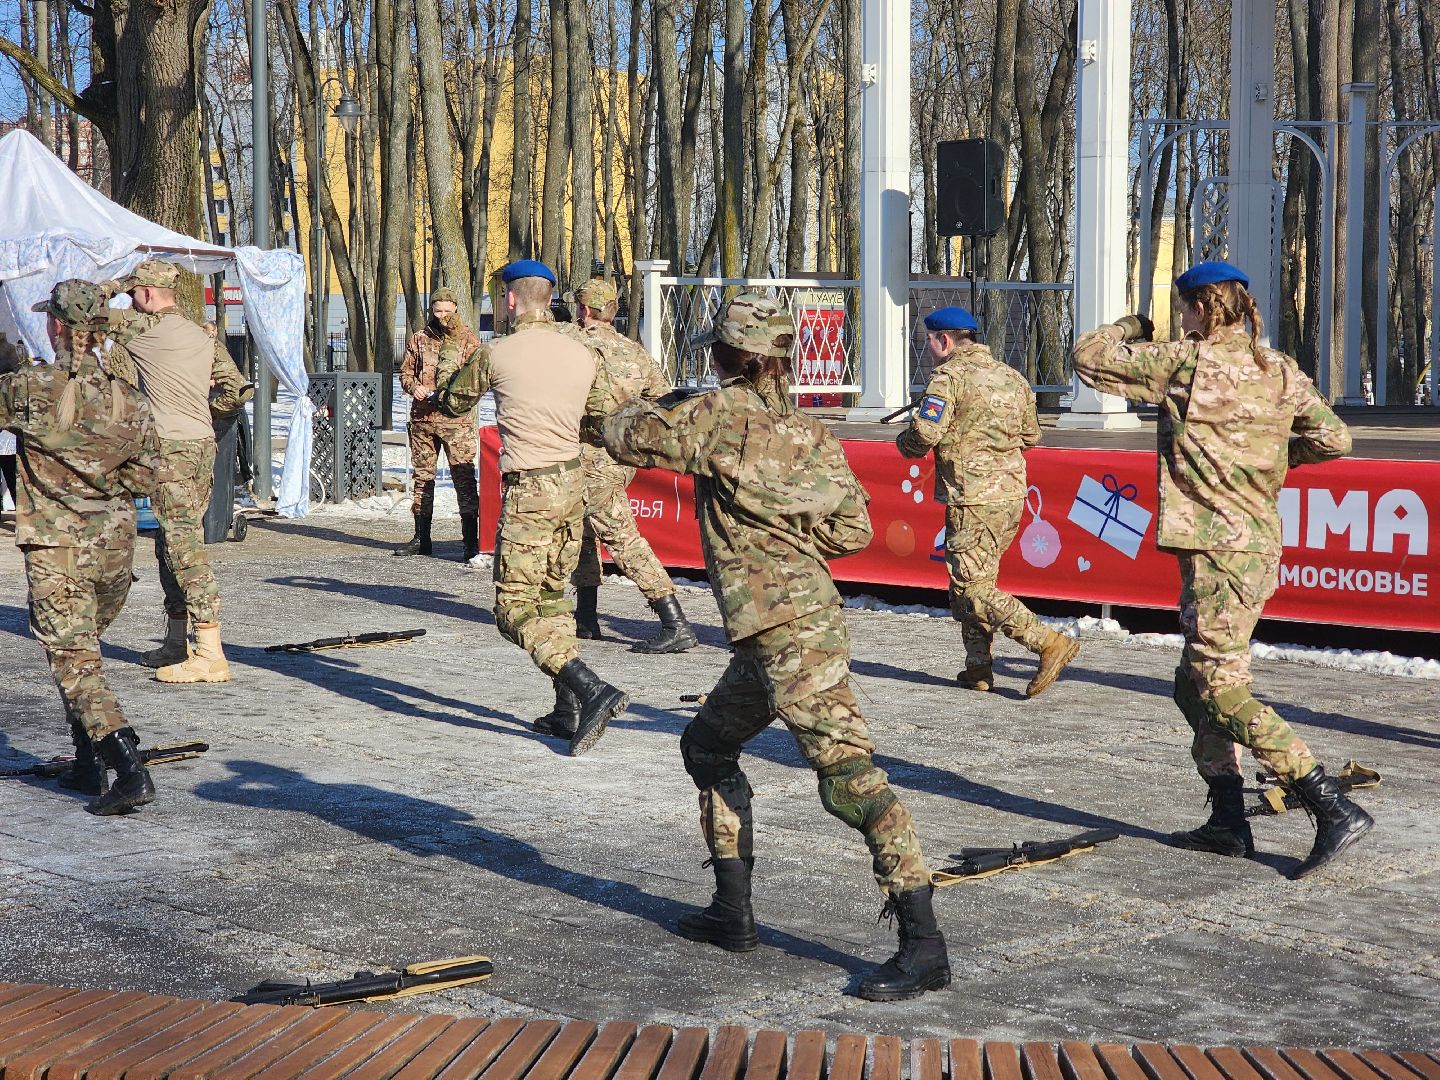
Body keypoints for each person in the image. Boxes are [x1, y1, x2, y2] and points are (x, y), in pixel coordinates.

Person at [599, 293, 950, 1001]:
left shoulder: (714, 415)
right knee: (705, 746)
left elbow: (620, 434)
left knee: (852, 781)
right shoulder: (809, 434)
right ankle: (733, 910)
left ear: (737, 357)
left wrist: (657, 398)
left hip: (788, 635)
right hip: (780, 630)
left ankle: (925, 944)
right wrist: (791, 536)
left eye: (717, 352)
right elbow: (852, 531)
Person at [1073, 260, 1373, 880]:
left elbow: (1089, 356)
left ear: (1203, 308)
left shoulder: (1186, 363)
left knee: (1219, 688)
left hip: (1217, 552)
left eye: (1185, 309)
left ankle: (1328, 800)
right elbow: (1335, 439)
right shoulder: (1278, 369)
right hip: (1254, 546)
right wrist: (1267, 461)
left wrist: (1133, 321)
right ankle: (1228, 819)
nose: (1181, 320)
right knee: (1194, 684)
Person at [434, 260, 629, 756]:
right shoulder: (583, 352)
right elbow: (602, 416)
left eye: (502, 299)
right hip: (572, 485)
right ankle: (567, 711)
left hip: (531, 491)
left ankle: (590, 688)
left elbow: (453, 402)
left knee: (512, 608)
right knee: (551, 598)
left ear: (512, 300)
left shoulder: (496, 352)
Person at [2, 280, 163, 815]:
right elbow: (146, 476)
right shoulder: (131, 398)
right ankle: (87, 762)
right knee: (81, 650)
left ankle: (128, 768)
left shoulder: (31, 387)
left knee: (74, 659)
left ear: (58, 326)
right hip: (114, 545)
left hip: (58, 545)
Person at [897, 306, 1079, 697]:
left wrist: (904, 443)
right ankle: (978, 667)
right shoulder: (1012, 377)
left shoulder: (948, 379)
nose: (927, 349)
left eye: (928, 341)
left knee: (972, 589)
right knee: (973, 582)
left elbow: (925, 436)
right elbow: (1032, 435)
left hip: (972, 499)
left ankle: (1048, 641)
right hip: (1012, 495)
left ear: (944, 341)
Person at [99, 260, 245, 684]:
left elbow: (77, 307)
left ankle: (210, 653)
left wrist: (117, 284)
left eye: (134, 293)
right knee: (171, 540)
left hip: (171, 450)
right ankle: (177, 640)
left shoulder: (140, 328)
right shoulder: (202, 335)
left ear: (144, 293)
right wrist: (208, 418)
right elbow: (234, 390)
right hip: (201, 446)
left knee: (184, 547)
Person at [570, 276, 699, 655]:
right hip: (620, 455)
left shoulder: (574, 345)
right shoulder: (634, 351)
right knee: (585, 530)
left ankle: (673, 621)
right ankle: (586, 616)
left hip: (587, 452)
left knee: (619, 536)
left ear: (584, 309)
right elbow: (663, 399)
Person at [395, 286, 483, 562]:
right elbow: (405, 372)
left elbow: (477, 379)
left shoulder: (468, 340)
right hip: (423, 419)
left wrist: (454, 395)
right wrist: (414, 387)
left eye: (447, 310)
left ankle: (470, 541)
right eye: (437, 310)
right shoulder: (420, 338)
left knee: (464, 478)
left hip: (456, 421)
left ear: (456, 308)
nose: (442, 315)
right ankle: (422, 538)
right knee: (423, 478)